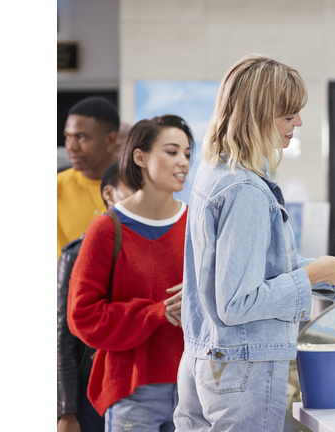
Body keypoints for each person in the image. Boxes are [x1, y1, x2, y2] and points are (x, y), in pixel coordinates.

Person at [174, 54, 335, 432]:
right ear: (256, 115)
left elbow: (258, 270)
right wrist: (310, 276)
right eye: (288, 114)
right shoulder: (245, 189)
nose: (298, 122)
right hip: (242, 369)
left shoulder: (215, 174)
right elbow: (237, 303)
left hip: (205, 360)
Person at [68, 114, 194, 431]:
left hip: (195, 389)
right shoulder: (107, 228)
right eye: (171, 151)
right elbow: (82, 316)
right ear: (140, 156)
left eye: (188, 154)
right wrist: (155, 312)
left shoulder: (197, 224)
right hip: (133, 392)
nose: (183, 162)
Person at [58, 162, 134, 432]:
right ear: (109, 195)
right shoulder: (77, 253)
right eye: (133, 187)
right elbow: (64, 339)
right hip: (91, 390)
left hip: (139, 387)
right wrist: (66, 410)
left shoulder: (151, 246)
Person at [58, 97, 120, 262]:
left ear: (110, 140)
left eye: (81, 137)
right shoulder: (57, 187)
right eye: (68, 136)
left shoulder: (136, 189)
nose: (71, 146)